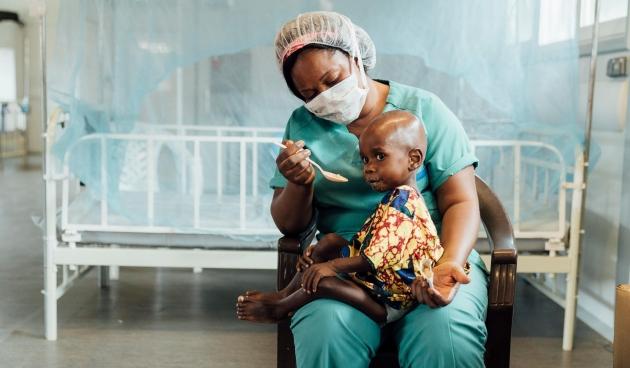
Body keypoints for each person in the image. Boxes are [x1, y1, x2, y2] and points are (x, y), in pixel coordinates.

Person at [240, 11, 488, 367]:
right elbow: (290, 226)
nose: (325, 97)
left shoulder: (423, 111)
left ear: (356, 58)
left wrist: (448, 262)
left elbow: (462, 201)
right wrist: (298, 182)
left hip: (431, 254)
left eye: (333, 79)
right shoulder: (303, 125)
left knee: (445, 335)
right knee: (326, 330)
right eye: (310, 93)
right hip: (348, 265)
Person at [237, 111, 450, 325]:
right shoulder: (398, 196)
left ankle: (281, 308)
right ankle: (285, 293)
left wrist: (333, 266)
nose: (369, 168)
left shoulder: (403, 203)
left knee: (323, 281)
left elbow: (374, 259)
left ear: (413, 160)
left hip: (392, 298)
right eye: (365, 160)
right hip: (383, 278)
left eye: (380, 156)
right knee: (329, 242)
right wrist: (321, 255)